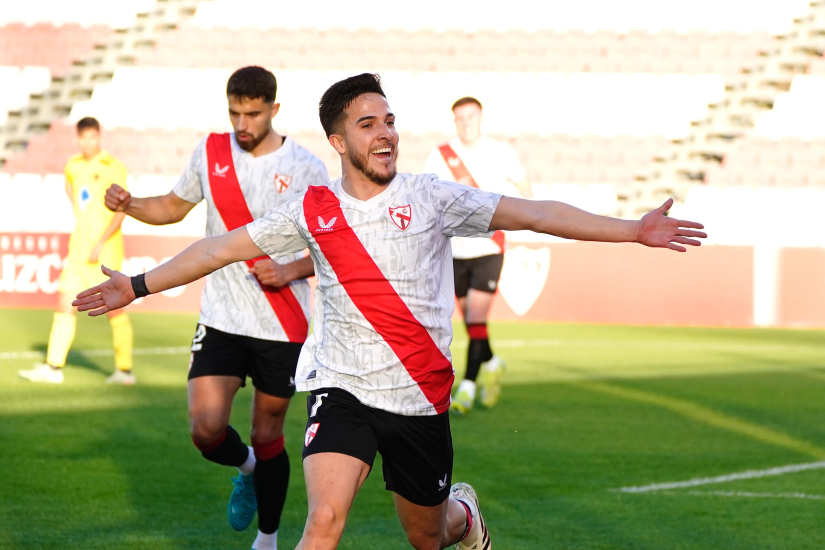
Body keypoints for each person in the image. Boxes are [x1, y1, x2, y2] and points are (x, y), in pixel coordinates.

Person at [72, 73, 706, 550]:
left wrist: (633, 229)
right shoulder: (311, 210)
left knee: (427, 537)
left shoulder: (432, 197)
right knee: (322, 521)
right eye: (369, 124)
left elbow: (535, 213)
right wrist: (138, 284)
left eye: (390, 120)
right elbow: (218, 247)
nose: (386, 134)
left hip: (418, 397)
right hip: (341, 388)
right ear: (339, 140)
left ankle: (467, 515)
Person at [102, 66, 328, 550]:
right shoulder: (211, 152)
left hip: (283, 320)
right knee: (205, 430)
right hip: (221, 317)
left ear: (274, 110)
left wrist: (289, 271)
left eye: (252, 113)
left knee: (268, 432)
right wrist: (129, 203)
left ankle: (266, 538)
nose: (241, 123)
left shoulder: (307, 166)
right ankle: (246, 468)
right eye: (234, 112)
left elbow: (331, 243)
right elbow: (171, 206)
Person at [424, 96, 530, 415]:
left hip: (489, 246)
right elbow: (429, 194)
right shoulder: (441, 155)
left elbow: (524, 183)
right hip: (455, 249)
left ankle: (467, 387)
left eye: (471, 116)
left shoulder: (501, 151)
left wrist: (530, 214)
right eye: (461, 118)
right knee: (472, 322)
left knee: (475, 318)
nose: (467, 122)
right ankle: (493, 363)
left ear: (481, 118)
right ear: (454, 121)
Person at [19, 117, 134, 385]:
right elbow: (69, 185)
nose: (87, 142)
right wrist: (77, 209)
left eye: (92, 137)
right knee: (64, 304)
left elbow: (122, 212)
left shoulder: (112, 167)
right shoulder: (73, 165)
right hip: (78, 250)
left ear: (99, 137)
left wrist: (100, 243)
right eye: (83, 138)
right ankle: (53, 367)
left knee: (114, 309)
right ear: (78, 138)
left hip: (103, 253)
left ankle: (125, 371)